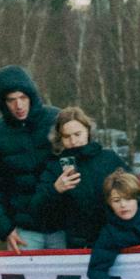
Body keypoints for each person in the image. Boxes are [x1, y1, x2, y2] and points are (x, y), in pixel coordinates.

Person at [0, 65, 61, 251]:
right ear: (2, 102)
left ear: (31, 96)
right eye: (11, 100)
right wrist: (5, 229)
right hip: (24, 230)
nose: (19, 105)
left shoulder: (58, 121)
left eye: (23, 97)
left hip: (64, 225)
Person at [28, 106, 128, 251]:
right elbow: (35, 207)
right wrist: (55, 189)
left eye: (77, 134)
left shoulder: (108, 158)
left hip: (114, 238)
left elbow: (134, 193)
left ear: (87, 131)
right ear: (60, 138)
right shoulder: (54, 166)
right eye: (67, 136)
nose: (73, 141)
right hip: (77, 245)